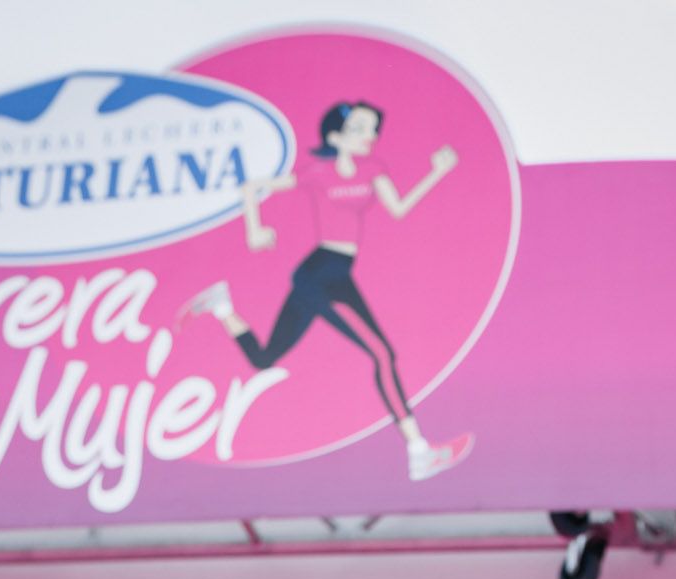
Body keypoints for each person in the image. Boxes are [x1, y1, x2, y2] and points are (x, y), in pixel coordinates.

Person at [180, 102, 472, 482]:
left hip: (334, 273)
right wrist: (255, 229)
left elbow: (398, 208)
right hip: (321, 273)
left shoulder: (373, 169)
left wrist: (437, 172)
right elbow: (252, 186)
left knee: (265, 358)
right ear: (335, 137)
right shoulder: (318, 172)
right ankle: (419, 452)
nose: (370, 136)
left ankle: (221, 307)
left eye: (372, 129)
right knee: (382, 353)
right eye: (359, 128)